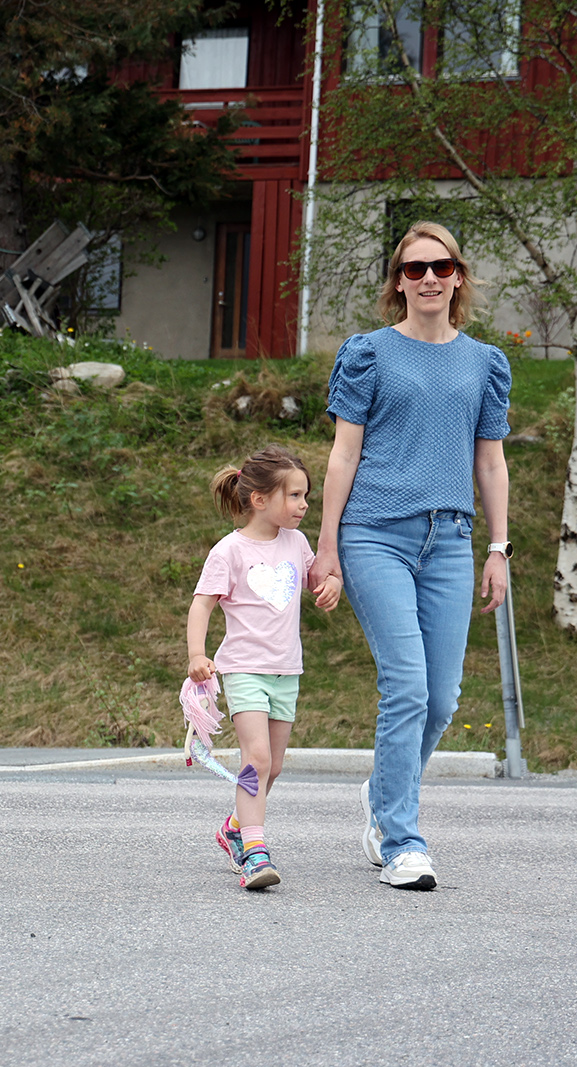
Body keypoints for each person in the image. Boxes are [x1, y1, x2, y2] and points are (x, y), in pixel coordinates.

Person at [309, 221, 511, 891]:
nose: (429, 277)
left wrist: (498, 547)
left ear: (459, 278)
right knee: (407, 686)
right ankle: (401, 840)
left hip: (451, 540)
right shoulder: (368, 353)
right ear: (399, 281)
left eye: (442, 266)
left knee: (444, 698)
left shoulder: (484, 362)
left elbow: (490, 460)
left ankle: (385, 789)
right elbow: (343, 452)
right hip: (374, 534)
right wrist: (328, 546)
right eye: (415, 267)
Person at [187, 446, 343, 890]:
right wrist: (198, 655)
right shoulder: (229, 551)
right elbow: (202, 605)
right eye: (294, 496)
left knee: (272, 767)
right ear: (259, 499)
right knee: (256, 759)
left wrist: (330, 584)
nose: (304, 505)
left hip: (286, 670)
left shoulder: (296, 542)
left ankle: (234, 827)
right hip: (244, 669)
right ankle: (255, 852)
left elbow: (316, 576)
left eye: (305, 496)